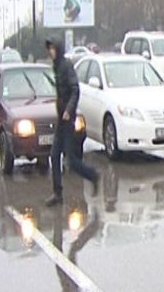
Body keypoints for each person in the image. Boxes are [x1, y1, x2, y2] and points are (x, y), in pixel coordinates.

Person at [45, 38, 99, 207]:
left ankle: (92, 175)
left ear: (58, 49)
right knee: (54, 155)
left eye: (52, 48)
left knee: (71, 160)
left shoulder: (66, 66)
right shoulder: (57, 66)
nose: (50, 52)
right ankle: (57, 194)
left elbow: (75, 90)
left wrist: (69, 110)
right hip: (61, 119)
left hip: (68, 120)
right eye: (49, 49)